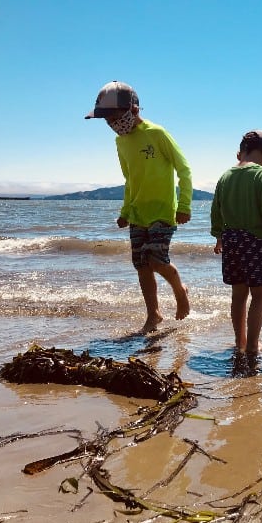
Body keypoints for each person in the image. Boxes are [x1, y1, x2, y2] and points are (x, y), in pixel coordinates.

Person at [85, 80, 192, 334]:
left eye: (113, 117)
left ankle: (180, 289)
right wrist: (125, 212)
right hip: (137, 212)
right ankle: (153, 315)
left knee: (156, 260)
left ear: (133, 110)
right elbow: (129, 179)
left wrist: (184, 204)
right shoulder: (121, 142)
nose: (111, 124)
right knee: (141, 265)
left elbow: (184, 169)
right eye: (106, 121)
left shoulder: (157, 134)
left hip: (163, 210)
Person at [210, 130, 262, 360]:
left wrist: (218, 236)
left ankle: (240, 342)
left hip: (231, 241)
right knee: (258, 295)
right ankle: (253, 346)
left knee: (238, 294)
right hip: (255, 241)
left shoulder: (225, 176)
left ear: (240, 153)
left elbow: (216, 210)